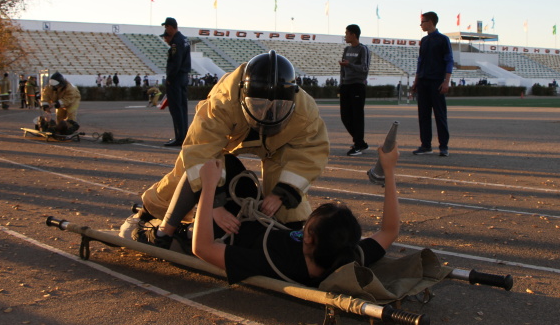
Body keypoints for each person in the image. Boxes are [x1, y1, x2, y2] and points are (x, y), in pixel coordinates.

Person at [121, 50, 329, 241]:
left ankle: (284, 231)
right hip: (231, 136)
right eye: (258, 105)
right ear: (242, 95)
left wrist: (281, 193)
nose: (267, 114)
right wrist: (214, 205)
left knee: (289, 204)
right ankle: (148, 214)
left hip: (277, 147)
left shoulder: (305, 111)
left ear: (293, 97)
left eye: (278, 107)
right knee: (186, 173)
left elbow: (310, 153)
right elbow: (201, 149)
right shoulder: (222, 102)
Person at [187, 143, 399, 286]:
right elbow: (390, 231)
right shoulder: (344, 256)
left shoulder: (273, 263)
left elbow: (203, 248)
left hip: (227, 227)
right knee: (223, 161)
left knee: (205, 164)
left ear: (308, 237)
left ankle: (165, 230)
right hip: (255, 215)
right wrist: (389, 171)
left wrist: (208, 189)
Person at [411, 12, 453, 157]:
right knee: (423, 115)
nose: (421, 25)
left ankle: (443, 146)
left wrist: (446, 81)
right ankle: (426, 145)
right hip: (423, 81)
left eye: (422, 22)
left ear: (430, 22)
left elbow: (449, 60)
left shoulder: (443, 39)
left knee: (440, 114)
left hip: (436, 82)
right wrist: (416, 81)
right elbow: (420, 61)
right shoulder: (424, 40)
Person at [338, 24, 370, 156]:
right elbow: (343, 69)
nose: (345, 36)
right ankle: (360, 142)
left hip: (357, 85)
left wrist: (349, 65)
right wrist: (341, 82)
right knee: (345, 116)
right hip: (346, 85)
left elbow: (364, 68)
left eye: (347, 33)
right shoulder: (346, 49)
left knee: (357, 116)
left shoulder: (363, 49)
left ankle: (358, 144)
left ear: (353, 34)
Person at [160, 17, 191, 147]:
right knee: (182, 108)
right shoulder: (184, 39)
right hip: (183, 77)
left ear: (171, 27)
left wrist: (169, 79)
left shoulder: (176, 42)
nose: (166, 30)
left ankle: (180, 138)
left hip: (176, 78)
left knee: (176, 109)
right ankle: (183, 136)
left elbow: (175, 63)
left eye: (166, 27)